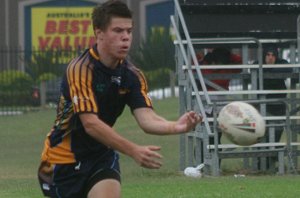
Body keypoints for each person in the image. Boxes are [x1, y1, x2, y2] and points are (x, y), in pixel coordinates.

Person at [37, 1, 202, 198]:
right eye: (117, 31)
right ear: (99, 33)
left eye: (129, 31)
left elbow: (147, 119)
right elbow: (91, 125)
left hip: (101, 156)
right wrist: (133, 150)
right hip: (62, 161)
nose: (125, 37)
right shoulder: (81, 69)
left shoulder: (132, 75)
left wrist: (177, 126)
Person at [254, 44, 291, 171]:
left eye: (273, 55)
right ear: (263, 56)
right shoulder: (256, 63)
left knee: (276, 134)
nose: (270, 58)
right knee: (260, 135)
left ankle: (269, 162)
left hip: (278, 107)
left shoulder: (283, 64)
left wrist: (269, 71)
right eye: (268, 55)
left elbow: (286, 72)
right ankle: (261, 164)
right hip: (262, 107)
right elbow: (254, 71)